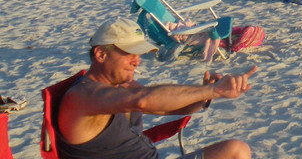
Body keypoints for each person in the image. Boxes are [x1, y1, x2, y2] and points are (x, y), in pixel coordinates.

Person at [56, 17, 255, 159]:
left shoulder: (121, 85)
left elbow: (164, 107)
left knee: (235, 150)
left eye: (139, 54)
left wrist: (203, 98)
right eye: (129, 53)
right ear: (101, 55)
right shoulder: (85, 95)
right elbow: (143, 100)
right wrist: (213, 90)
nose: (137, 61)